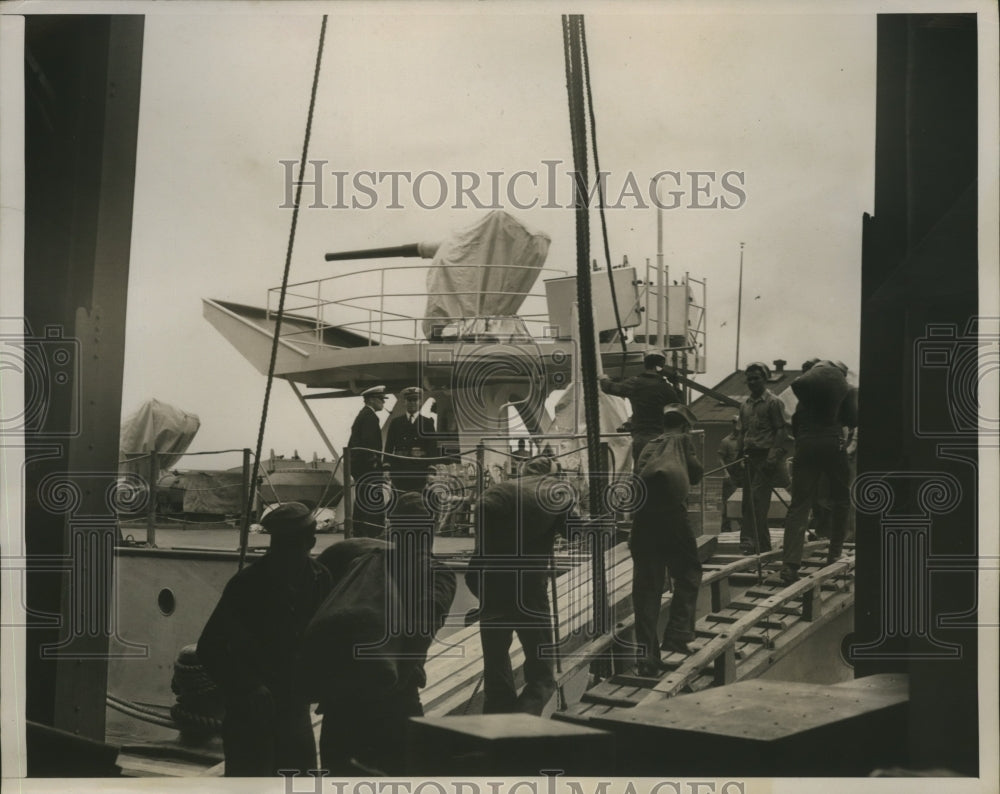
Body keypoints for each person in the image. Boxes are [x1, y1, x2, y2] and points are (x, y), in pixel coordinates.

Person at [310, 493, 456, 775]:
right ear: (430, 530)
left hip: (342, 702)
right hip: (394, 700)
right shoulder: (435, 573)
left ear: (393, 528)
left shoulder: (361, 562)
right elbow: (421, 631)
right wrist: (398, 675)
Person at [196, 502, 331, 777]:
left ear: (310, 543)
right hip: (250, 713)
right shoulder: (246, 585)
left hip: (295, 711)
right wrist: (248, 686)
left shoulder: (321, 580)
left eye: (291, 544)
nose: (282, 552)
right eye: (279, 544)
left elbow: (327, 638)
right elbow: (209, 648)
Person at [465, 456, 570, 715]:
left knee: (496, 676)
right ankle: (520, 722)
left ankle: (495, 731)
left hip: (491, 585)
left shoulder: (496, 493)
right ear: (552, 475)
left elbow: (478, 558)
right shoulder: (553, 490)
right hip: (529, 590)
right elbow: (574, 531)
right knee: (542, 676)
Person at [630, 404, 704, 674]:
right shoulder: (683, 442)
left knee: (646, 592)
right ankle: (678, 633)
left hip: (643, 523)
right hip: (673, 521)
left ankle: (647, 660)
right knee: (689, 572)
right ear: (685, 427)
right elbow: (695, 474)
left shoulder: (648, 445)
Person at [779, 360, 857, 583]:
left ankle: (789, 566)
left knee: (799, 504)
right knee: (841, 499)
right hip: (833, 444)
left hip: (805, 446)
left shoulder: (805, 399)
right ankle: (834, 554)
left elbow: (794, 423)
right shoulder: (844, 390)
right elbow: (853, 419)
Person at [736, 362, 792, 554]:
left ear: (765, 378)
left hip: (765, 458)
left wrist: (772, 457)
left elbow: (781, 431)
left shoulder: (773, 402)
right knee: (747, 504)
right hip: (749, 458)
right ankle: (760, 546)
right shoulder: (745, 405)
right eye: (749, 379)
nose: (752, 382)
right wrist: (739, 454)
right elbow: (742, 432)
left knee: (758, 503)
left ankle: (751, 545)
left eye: (756, 378)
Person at [599, 352, 681, 467]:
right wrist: (676, 383)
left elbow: (611, 388)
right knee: (658, 470)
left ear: (645, 364)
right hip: (660, 438)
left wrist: (603, 380)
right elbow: (679, 408)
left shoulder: (634, 383)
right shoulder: (665, 387)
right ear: (661, 366)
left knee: (640, 472)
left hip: (640, 437)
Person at [348, 385, 390, 537]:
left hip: (361, 468)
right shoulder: (370, 417)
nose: (383, 403)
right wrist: (375, 465)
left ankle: (360, 532)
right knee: (371, 500)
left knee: (362, 500)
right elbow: (369, 444)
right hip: (368, 469)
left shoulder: (363, 415)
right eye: (380, 399)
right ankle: (372, 533)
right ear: (371, 400)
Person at [384, 386, 439, 494]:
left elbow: (432, 448)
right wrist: (386, 468)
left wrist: (431, 471)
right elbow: (389, 447)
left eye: (415, 400)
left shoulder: (427, 423)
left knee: (417, 502)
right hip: (399, 470)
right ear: (405, 402)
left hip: (419, 471)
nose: (412, 403)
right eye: (409, 400)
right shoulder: (396, 423)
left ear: (419, 402)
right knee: (398, 502)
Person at [716, 416, 741, 533]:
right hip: (730, 476)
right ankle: (725, 529)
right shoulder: (726, 441)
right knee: (727, 503)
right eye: (735, 423)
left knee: (743, 502)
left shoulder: (745, 439)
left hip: (742, 476)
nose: (738, 425)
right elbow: (720, 458)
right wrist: (725, 472)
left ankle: (744, 528)